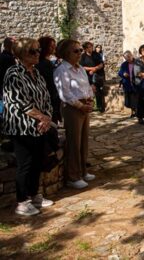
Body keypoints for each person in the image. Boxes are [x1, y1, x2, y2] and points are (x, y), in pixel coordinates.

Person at [2, 38, 54, 215]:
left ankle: (34, 195)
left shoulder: (36, 73)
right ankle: (22, 201)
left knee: (38, 161)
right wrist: (41, 117)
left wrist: (46, 118)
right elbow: (19, 102)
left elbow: (46, 97)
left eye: (38, 50)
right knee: (25, 163)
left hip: (40, 125)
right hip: (22, 126)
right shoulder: (13, 73)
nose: (38, 53)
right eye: (33, 51)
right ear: (21, 54)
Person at [54, 39, 95, 189]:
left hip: (84, 106)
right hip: (73, 108)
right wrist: (80, 106)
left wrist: (90, 100)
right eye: (76, 51)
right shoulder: (62, 70)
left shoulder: (80, 69)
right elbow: (64, 93)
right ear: (66, 53)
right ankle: (73, 176)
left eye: (80, 51)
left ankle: (83, 171)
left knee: (83, 140)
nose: (79, 53)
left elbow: (87, 86)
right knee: (74, 142)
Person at [36, 36, 62, 124]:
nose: (54, 48)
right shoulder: (44, 63)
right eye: (51, 46)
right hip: (48, 99)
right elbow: (50, 82)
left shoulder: (47, 62)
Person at [80, 42, 105, 112]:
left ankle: (100, 107)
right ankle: (90, 107)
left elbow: (101, 64)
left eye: (91, 46)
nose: (90, 48)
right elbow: (82, 67)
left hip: (98, 75)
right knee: (88, 91)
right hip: (88, 76)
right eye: (88, 47)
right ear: (85, 48)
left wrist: (95, 69)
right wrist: (92, 69)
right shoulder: (83, 56)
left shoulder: (96, 54)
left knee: (99, 91)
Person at [118, 51, 138, 118]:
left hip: (136, 84)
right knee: (129, 100)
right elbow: (120, 72)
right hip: (127, 84)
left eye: (129, 57)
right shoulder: (124, 64)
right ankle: (133, 112)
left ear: (131, 55)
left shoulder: (137, 63)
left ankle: (136, 112)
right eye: (126, 58)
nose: (128, 59)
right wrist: (123, 73)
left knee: (135, 98)